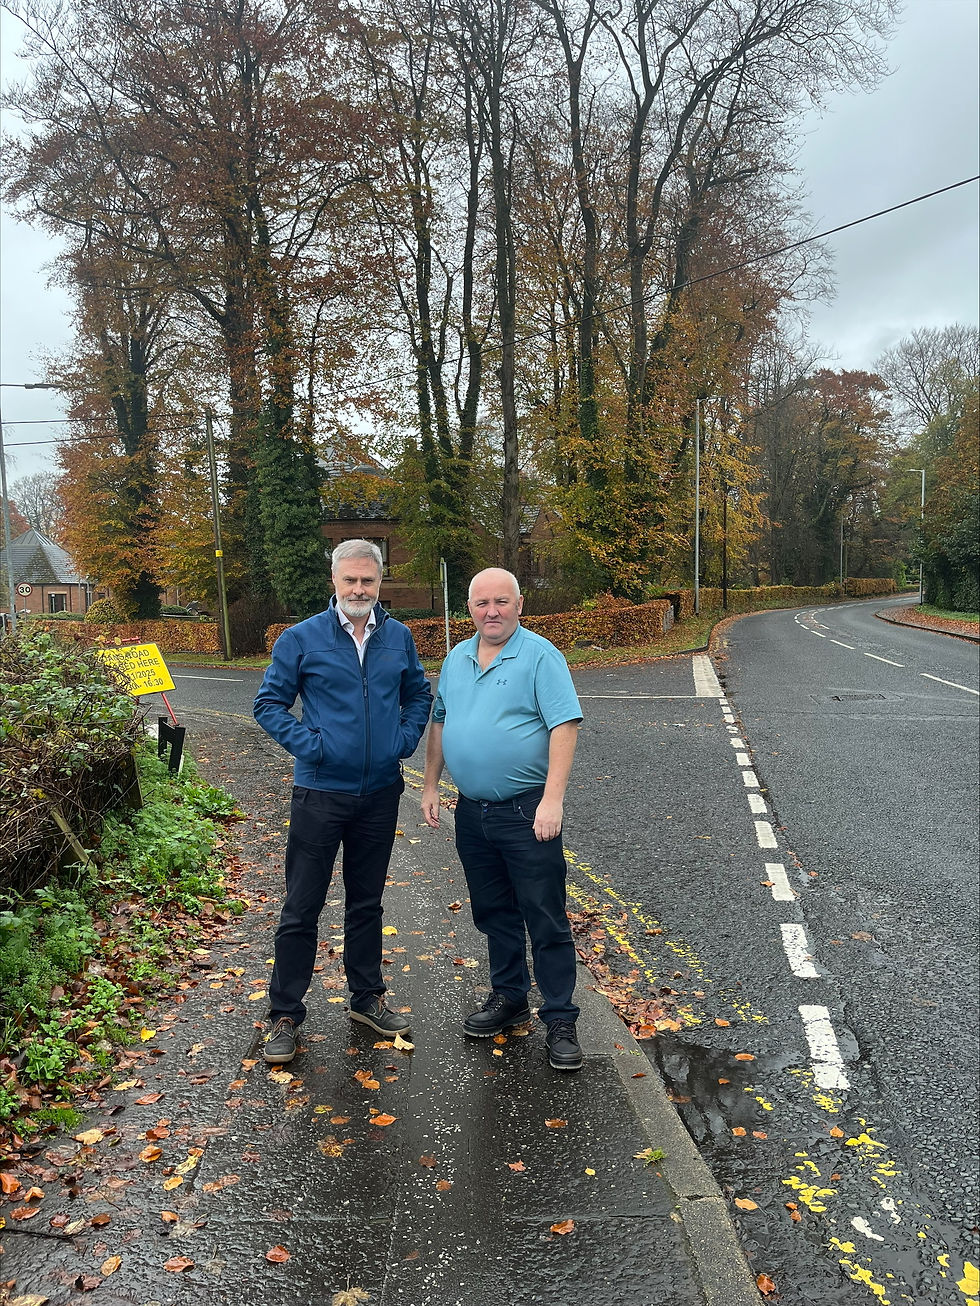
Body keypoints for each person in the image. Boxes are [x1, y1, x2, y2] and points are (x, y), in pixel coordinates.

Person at [254, 539, 432, 1064]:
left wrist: (402, 743)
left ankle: (366, 998)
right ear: (333, 580)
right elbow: (269, 704)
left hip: (379, 795)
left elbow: (418, 694)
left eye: (368, 581)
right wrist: (316, 747)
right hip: (319, 795)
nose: (359, 590)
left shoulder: (398, 638)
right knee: (301, 906)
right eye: (350, 580)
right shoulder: (300, 639)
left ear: (380, 583)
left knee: (367, 902)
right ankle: (286, 1013)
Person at [421, 568, 584, 1071]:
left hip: (525, 810)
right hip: (472, 812)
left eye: (501, 602)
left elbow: (564, 724)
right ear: (468, 608)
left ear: (519, 604)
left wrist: (552, 800)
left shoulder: (540, 655)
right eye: (481, 603)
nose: (491, 611)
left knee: (545, 915)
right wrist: (430, 785)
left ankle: (559, 1018)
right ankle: (509, 998)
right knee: (494, 914)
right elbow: (441, 721)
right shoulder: (456, 658)